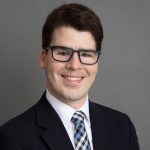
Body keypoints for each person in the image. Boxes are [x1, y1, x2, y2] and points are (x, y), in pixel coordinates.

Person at [0, 3, 140, 150]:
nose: (74, 65)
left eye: (86, 54)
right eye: (63, 53)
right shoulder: (12, 138)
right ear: (43, 59)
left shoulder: (122, 127)